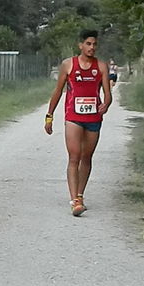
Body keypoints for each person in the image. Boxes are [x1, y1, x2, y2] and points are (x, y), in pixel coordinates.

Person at [44, 29, 112, 216]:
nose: (92, 48)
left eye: (95, 44)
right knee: (74, 156)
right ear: (80, 45)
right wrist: (49, 115)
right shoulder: (68, 65)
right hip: (73, 117)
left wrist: (106, 104)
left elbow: (107, 94)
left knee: (87, 157)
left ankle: (80, 194)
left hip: (93, 118)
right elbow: (58, 92)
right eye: (88, 44)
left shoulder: (101, 66)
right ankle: (74, 200)